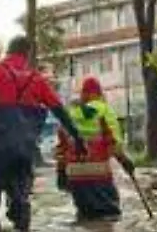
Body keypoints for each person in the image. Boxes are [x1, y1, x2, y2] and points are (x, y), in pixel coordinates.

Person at [0, 36, 85, 232]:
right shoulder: (37, 80)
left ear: (9, 51)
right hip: (25, 150)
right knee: (20, 196)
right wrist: (78, 139)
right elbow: (60, 111)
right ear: (28, 54)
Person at [55, 76, 133, 221]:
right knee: (110, 214)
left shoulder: (71, 113)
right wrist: (125, 161)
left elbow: (61, 147)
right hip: (99, 172)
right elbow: (113, 142)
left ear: (83, 93)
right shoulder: (103, 110)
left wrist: (61, 172)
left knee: (85, 215)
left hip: (75, 175)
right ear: (99, 93)